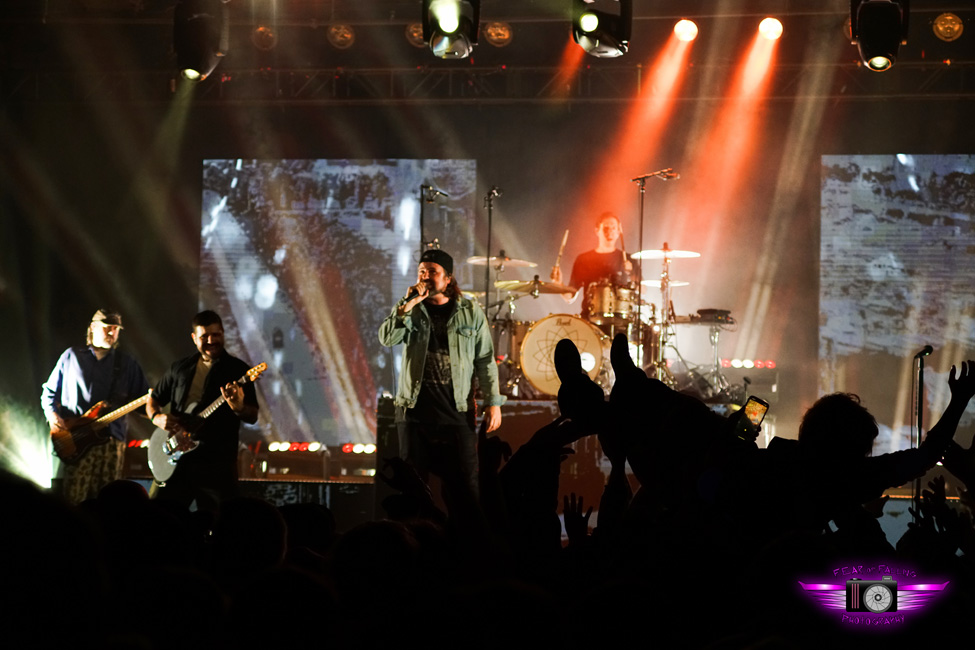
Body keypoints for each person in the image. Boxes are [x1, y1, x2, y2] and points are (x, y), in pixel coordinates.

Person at [378, 249, 505, 495]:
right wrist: (406, 306)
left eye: (432, 272)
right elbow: (387, 338)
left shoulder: (470, 311)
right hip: (414, 413)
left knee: (467, 487)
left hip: (456, 412)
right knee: (413, 488)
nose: (425, 276)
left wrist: (493, 402)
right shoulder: (410, 308)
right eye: (421, 272)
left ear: (448, 279)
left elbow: (485, 359)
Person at [146, 310, 259, 512]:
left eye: (216, 335)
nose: (211, 341)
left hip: (217, 465)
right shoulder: (179, 368)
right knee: (159, 516)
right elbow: (153, 399)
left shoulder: (238, 371)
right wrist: (156, 417)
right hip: (176, 459)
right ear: (194, 338)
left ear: (223, 334)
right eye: (204, 336)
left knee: (220, 520)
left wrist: (239, 407)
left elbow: (252, 416)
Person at [41, 309, 150, 504]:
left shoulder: (127, 363)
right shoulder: (71, 356)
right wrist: (54, 418)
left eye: (115, 329)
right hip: (76, 440)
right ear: (92, 327)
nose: (112, 333)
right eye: (107, 327)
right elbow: (48, 393)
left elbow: (145, 403)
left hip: (111, 443)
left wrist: (156, 408)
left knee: (108, 504)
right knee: (74, 502)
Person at [550, 212, 639, 318]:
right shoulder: (584, 259)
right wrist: (558, 284)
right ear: (597, 230)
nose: (610, 231)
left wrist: (631, 273)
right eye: (606, 227)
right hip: (590, 319)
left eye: (613, 228)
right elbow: (570, 296)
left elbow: (642, 289)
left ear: (619, 231)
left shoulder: (628, 259)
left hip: (621, 319)